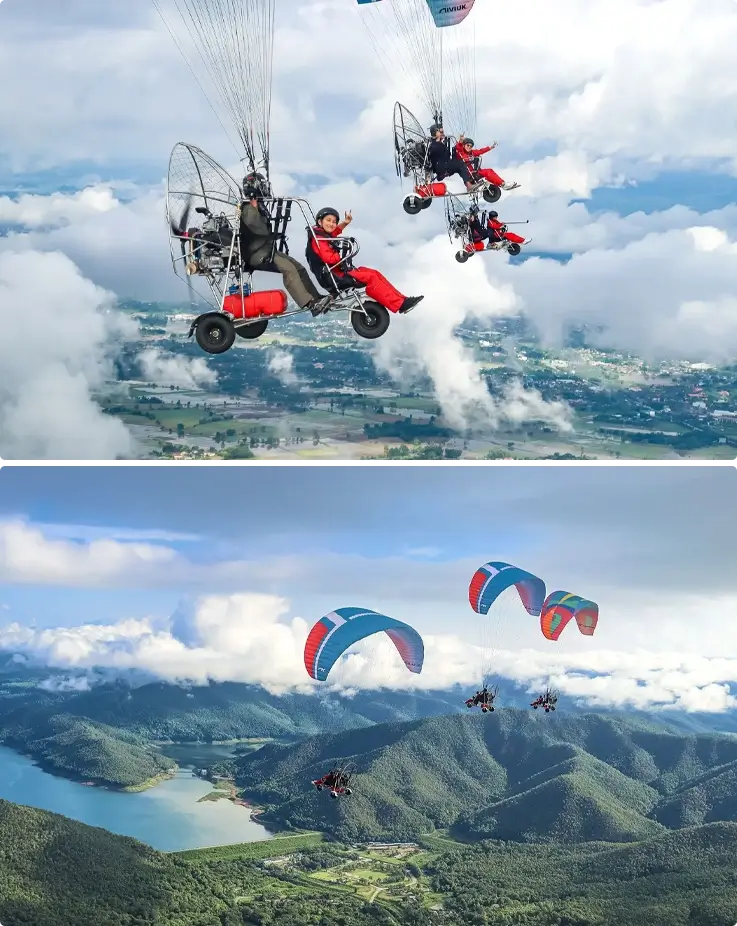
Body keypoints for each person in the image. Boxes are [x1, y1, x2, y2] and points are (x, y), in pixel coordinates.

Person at [239, 173, 333, 317]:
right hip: (257, 255)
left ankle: (316, 298)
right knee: (289, 269)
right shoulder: (248, 208)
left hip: (267, 250)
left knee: (299, 268)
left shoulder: (258, 206)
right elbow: (256, 227)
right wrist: (254, 205)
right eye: (262, 185)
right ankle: (309, 304)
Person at [307, 208, 424, 314]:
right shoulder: (318, 240)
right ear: (319, 222)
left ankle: (402, 300)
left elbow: (334, 232)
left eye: (334, 221)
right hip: (336, 276)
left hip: (338, 272)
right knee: (371, 278)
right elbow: (330, 259)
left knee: (374, 273)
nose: (332, 224)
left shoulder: (321, 234)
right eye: (328, 220)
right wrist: (340, 252)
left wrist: (345, 223)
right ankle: (400, 304)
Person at [455, 135, 520, 192]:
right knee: (486, 170)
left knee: (489, 171)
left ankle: (502, 184)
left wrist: (490, 147)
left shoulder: (472, 152)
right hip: (468, 175)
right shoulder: (460, 152)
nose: (469, 147)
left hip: (475, 173)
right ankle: (503, 184)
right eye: (468, 145)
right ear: (464, 145)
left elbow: (481, 151)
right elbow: (458, 148)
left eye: (471, 146)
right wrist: (460, 142)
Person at [428, 125, 481, 193]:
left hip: (445, 165)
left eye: (443, 132)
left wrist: (459, 145)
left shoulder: (439, 143)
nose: (443, 133)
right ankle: (469, 185)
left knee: (463, 163)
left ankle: (470, 182)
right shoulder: (434, 145)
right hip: (441, 168)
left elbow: (446, 155)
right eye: (441, 132)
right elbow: (440, 156)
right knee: (460, 164)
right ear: (436, 133)